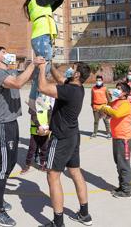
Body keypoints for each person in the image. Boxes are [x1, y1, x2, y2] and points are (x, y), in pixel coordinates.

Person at [0, 46, 44, 227]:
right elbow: (18, 83)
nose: (6, 53)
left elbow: (23, 76)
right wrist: (33, 65)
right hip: (1, 124)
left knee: (10, 163)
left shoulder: (10, 71)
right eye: (3, 52)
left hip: (11, 122)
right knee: (3, 167)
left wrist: (37, 63)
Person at [37, 59, 92, 227]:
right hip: (73, 135)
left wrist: (41, 69)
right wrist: (50, 65)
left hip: (61, 138)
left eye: (72, 68)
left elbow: (43, 88)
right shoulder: (78, 88)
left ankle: (58, 222)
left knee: (53, 176)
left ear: (76, 74)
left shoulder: (69, 90)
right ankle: (84, 214)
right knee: (75, 172)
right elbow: (61, 79)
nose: (68, 69)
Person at [23, 0, 74, 108]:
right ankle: (35, 98)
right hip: (42, 37)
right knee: (43, 66)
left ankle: (35, 97)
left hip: (42, 37)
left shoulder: (38, 2)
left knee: (43, 67)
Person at [100, 82, 131, 198]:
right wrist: (106, 105)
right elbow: (107, 107)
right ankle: (122, 186)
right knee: (118, 163)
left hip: (124, 138)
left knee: (124, 164)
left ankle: (126, 191)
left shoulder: (126, 104)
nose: (116, 90)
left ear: (125, 92)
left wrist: (106, 108)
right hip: (116, 136)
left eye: (119, 89)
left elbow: (116, 113)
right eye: (116, 88)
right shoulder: (116, 102)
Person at [21, 95, 52, 174]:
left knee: (44, 149)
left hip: (45, 131)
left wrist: (48, 126)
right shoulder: (33, 104)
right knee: (32, 149)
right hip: (35, 131)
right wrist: (39, 126)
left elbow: (50, 116)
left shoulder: (48, 104)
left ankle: (42, 164)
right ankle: (27, 165)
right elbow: (33, 117)